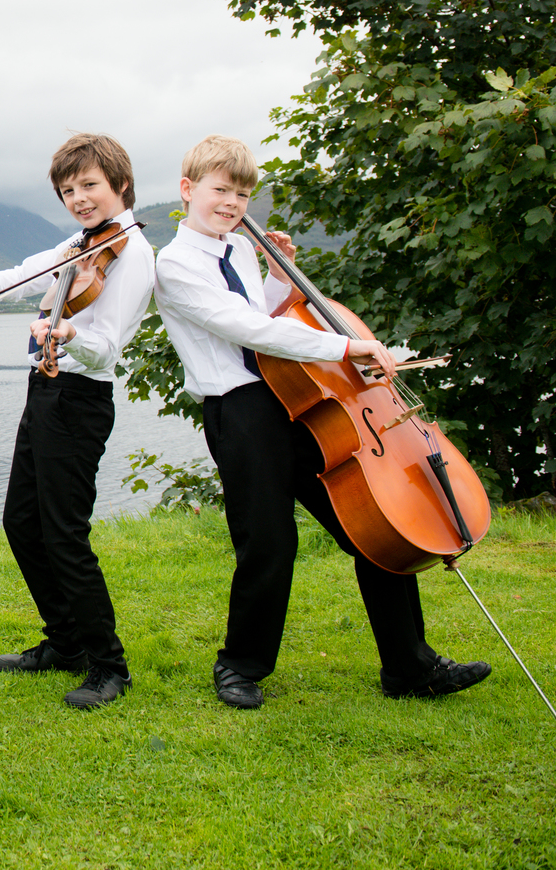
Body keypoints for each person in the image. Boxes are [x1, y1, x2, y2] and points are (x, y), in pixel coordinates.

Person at [152, 134, 492, 709]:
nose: (231, 204)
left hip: (296, 404)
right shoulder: (174, 264)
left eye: (241, 194)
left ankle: (410, 667)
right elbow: (245, 330)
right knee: (269, 542)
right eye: (219, 190)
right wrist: (342, 346)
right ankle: (240, 666)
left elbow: (264, 312)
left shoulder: (237, 249)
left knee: (372, 523)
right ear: (188, 191)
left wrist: (281, 277)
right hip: (240, 412)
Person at [0, 133, 155, 710]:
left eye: (89, 186)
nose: (79, 198)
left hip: (82, 398)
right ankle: (65, 642)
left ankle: (108, 666)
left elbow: (107, 347)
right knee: (20, 522)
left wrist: (69, 335)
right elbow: (27, 269)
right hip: (46, 390)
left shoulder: (133, 254)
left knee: (64, 534)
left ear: (120, 184)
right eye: (68, 190)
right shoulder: (81, 244)